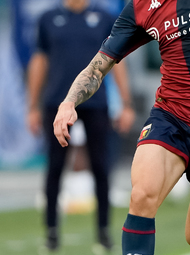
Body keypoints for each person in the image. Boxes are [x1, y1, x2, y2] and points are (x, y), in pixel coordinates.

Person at [53, 0, 190, 254]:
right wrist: (68, 102)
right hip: (170, 115)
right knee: (142, 196)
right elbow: (99, 66)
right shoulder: (141, 7)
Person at [27, 0, 135, 251]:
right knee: (55, 167)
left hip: (96, 103)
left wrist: (126, 103)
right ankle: (52, 232)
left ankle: (103, 231)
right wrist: (32, 105)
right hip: (56, 102)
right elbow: (39, 61)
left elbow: (116, 60)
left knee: (101, 167)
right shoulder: (48, 18)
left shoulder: (104, 16)